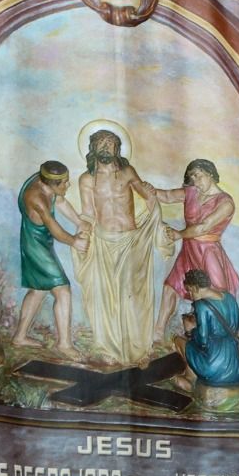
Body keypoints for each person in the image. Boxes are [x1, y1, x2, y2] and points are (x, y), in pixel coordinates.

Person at [74, 129, 176, 365]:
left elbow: (148, 196)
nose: (106, 147)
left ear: (118, 149)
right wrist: (83, 235)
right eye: (101, 142)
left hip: (131, 241)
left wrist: (156, 220)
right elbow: (88, 213)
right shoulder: (87, 179)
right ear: (93, 148)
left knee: (133, 297)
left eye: (111, 143)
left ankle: (139, 350)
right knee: (107, 298)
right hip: (104, 241)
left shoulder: (127, 172)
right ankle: (109, 350)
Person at [152, 159, 239, 338]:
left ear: (210, 173)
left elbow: (203, 227)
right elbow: (168, 196)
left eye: (198, 175)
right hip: (189, 249)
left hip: (208, 252)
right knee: (171, 286)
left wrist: (179, 234)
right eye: (192, 176)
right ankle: (158, 332)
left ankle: (225, 336)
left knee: (216, 291)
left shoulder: (225, 202)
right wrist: (143, 188)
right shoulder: (191, 192)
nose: (195, 180)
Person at [14, 160, 89, 355]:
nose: (68, 185)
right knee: (62, 290)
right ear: (50, 183)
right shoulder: (37, 197)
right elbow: (52, 226)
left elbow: (61, 201)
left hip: (39, 241)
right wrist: (74, 241)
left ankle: (20, 337)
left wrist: (79, 221)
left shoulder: (45, 183)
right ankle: (64, 343)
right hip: (35, 245)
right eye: (64, 182)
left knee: (38, 290)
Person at [179, 269, 239, 393]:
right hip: (235, 367)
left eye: (189, 290)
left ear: (195, 287)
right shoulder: (229, 297)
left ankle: (189, 379)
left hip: (214, 367)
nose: (190, 294)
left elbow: (203, 341)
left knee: (182, 342)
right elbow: (235, 326)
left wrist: (191, 331)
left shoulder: (201, 306)